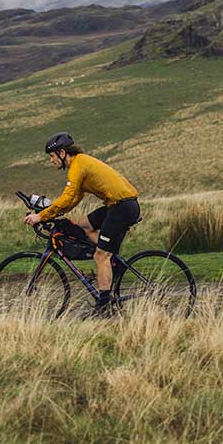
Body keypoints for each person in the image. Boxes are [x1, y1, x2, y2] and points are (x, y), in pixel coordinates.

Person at [23, 132, 140, 314]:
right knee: (83, 226)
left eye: (52, 156)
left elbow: (68, 197)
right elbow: (72, 201)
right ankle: (112, 262)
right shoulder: (80, 163)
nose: (51, 161)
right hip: (119, 205)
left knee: (101, 256)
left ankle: (103, 307)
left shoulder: (78, 165)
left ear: (62, 153)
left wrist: (40, 217)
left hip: (122, 208)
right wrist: (50, 213)